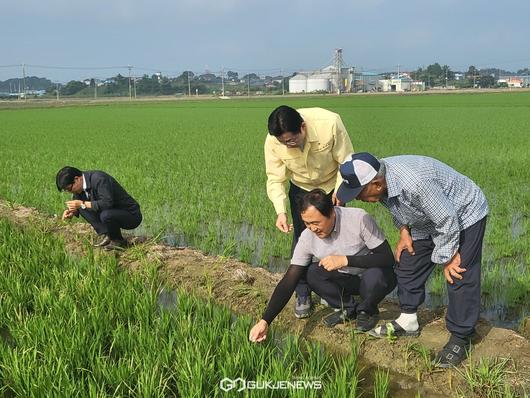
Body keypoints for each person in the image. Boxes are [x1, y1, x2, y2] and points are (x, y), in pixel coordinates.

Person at [336, 152, 488, 368]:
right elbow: (397, 207)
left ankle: (462, 336)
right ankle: (408, 320)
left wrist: (448, 257)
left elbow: (447, 220)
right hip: (427, 217)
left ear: (376, 184)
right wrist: (404, 230)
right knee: (408, 261)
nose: (358, 198)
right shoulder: (382, 180)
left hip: (462, 214)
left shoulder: (416, 183)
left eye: (359, 193)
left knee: (458, 272)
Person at [249, 189, 396, 343]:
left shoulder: (358, 218)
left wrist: (346, 260)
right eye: (307, 223)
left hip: (374, 277)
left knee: (375, 276)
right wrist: (265, 321)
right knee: (311, 272)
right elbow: (289, 280)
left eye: (315, 223)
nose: (312, 228)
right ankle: (347, 308)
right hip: (348, 279)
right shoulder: (307, 237)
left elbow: (386, 258)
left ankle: (368, 310)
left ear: (332, 213)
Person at [265, 105, 354, 318]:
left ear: (303, 127)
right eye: (284, 142)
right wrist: (281, 211)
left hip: (332, 185)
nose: (288, 145)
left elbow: (346, 161)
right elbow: (275, 177)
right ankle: (302, 292)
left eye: (291, 140)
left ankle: (330, 287)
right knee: (302, 239)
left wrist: (341, 193)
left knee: (335, 236)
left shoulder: (330, 123)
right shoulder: (273, 141)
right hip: (301, 188)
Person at [56, 166, 142, 250]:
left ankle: (118, 241)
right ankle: (107, 234)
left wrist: (82, 204)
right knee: (81, 206)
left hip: (131, 215)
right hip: (111, 212)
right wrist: (71, 212)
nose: (70, 192)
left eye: (69, 189)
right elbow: (80, 205)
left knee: (105, 215)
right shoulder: (79, 189)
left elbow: (107, 203)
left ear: (77, 179)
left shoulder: (99, 179)